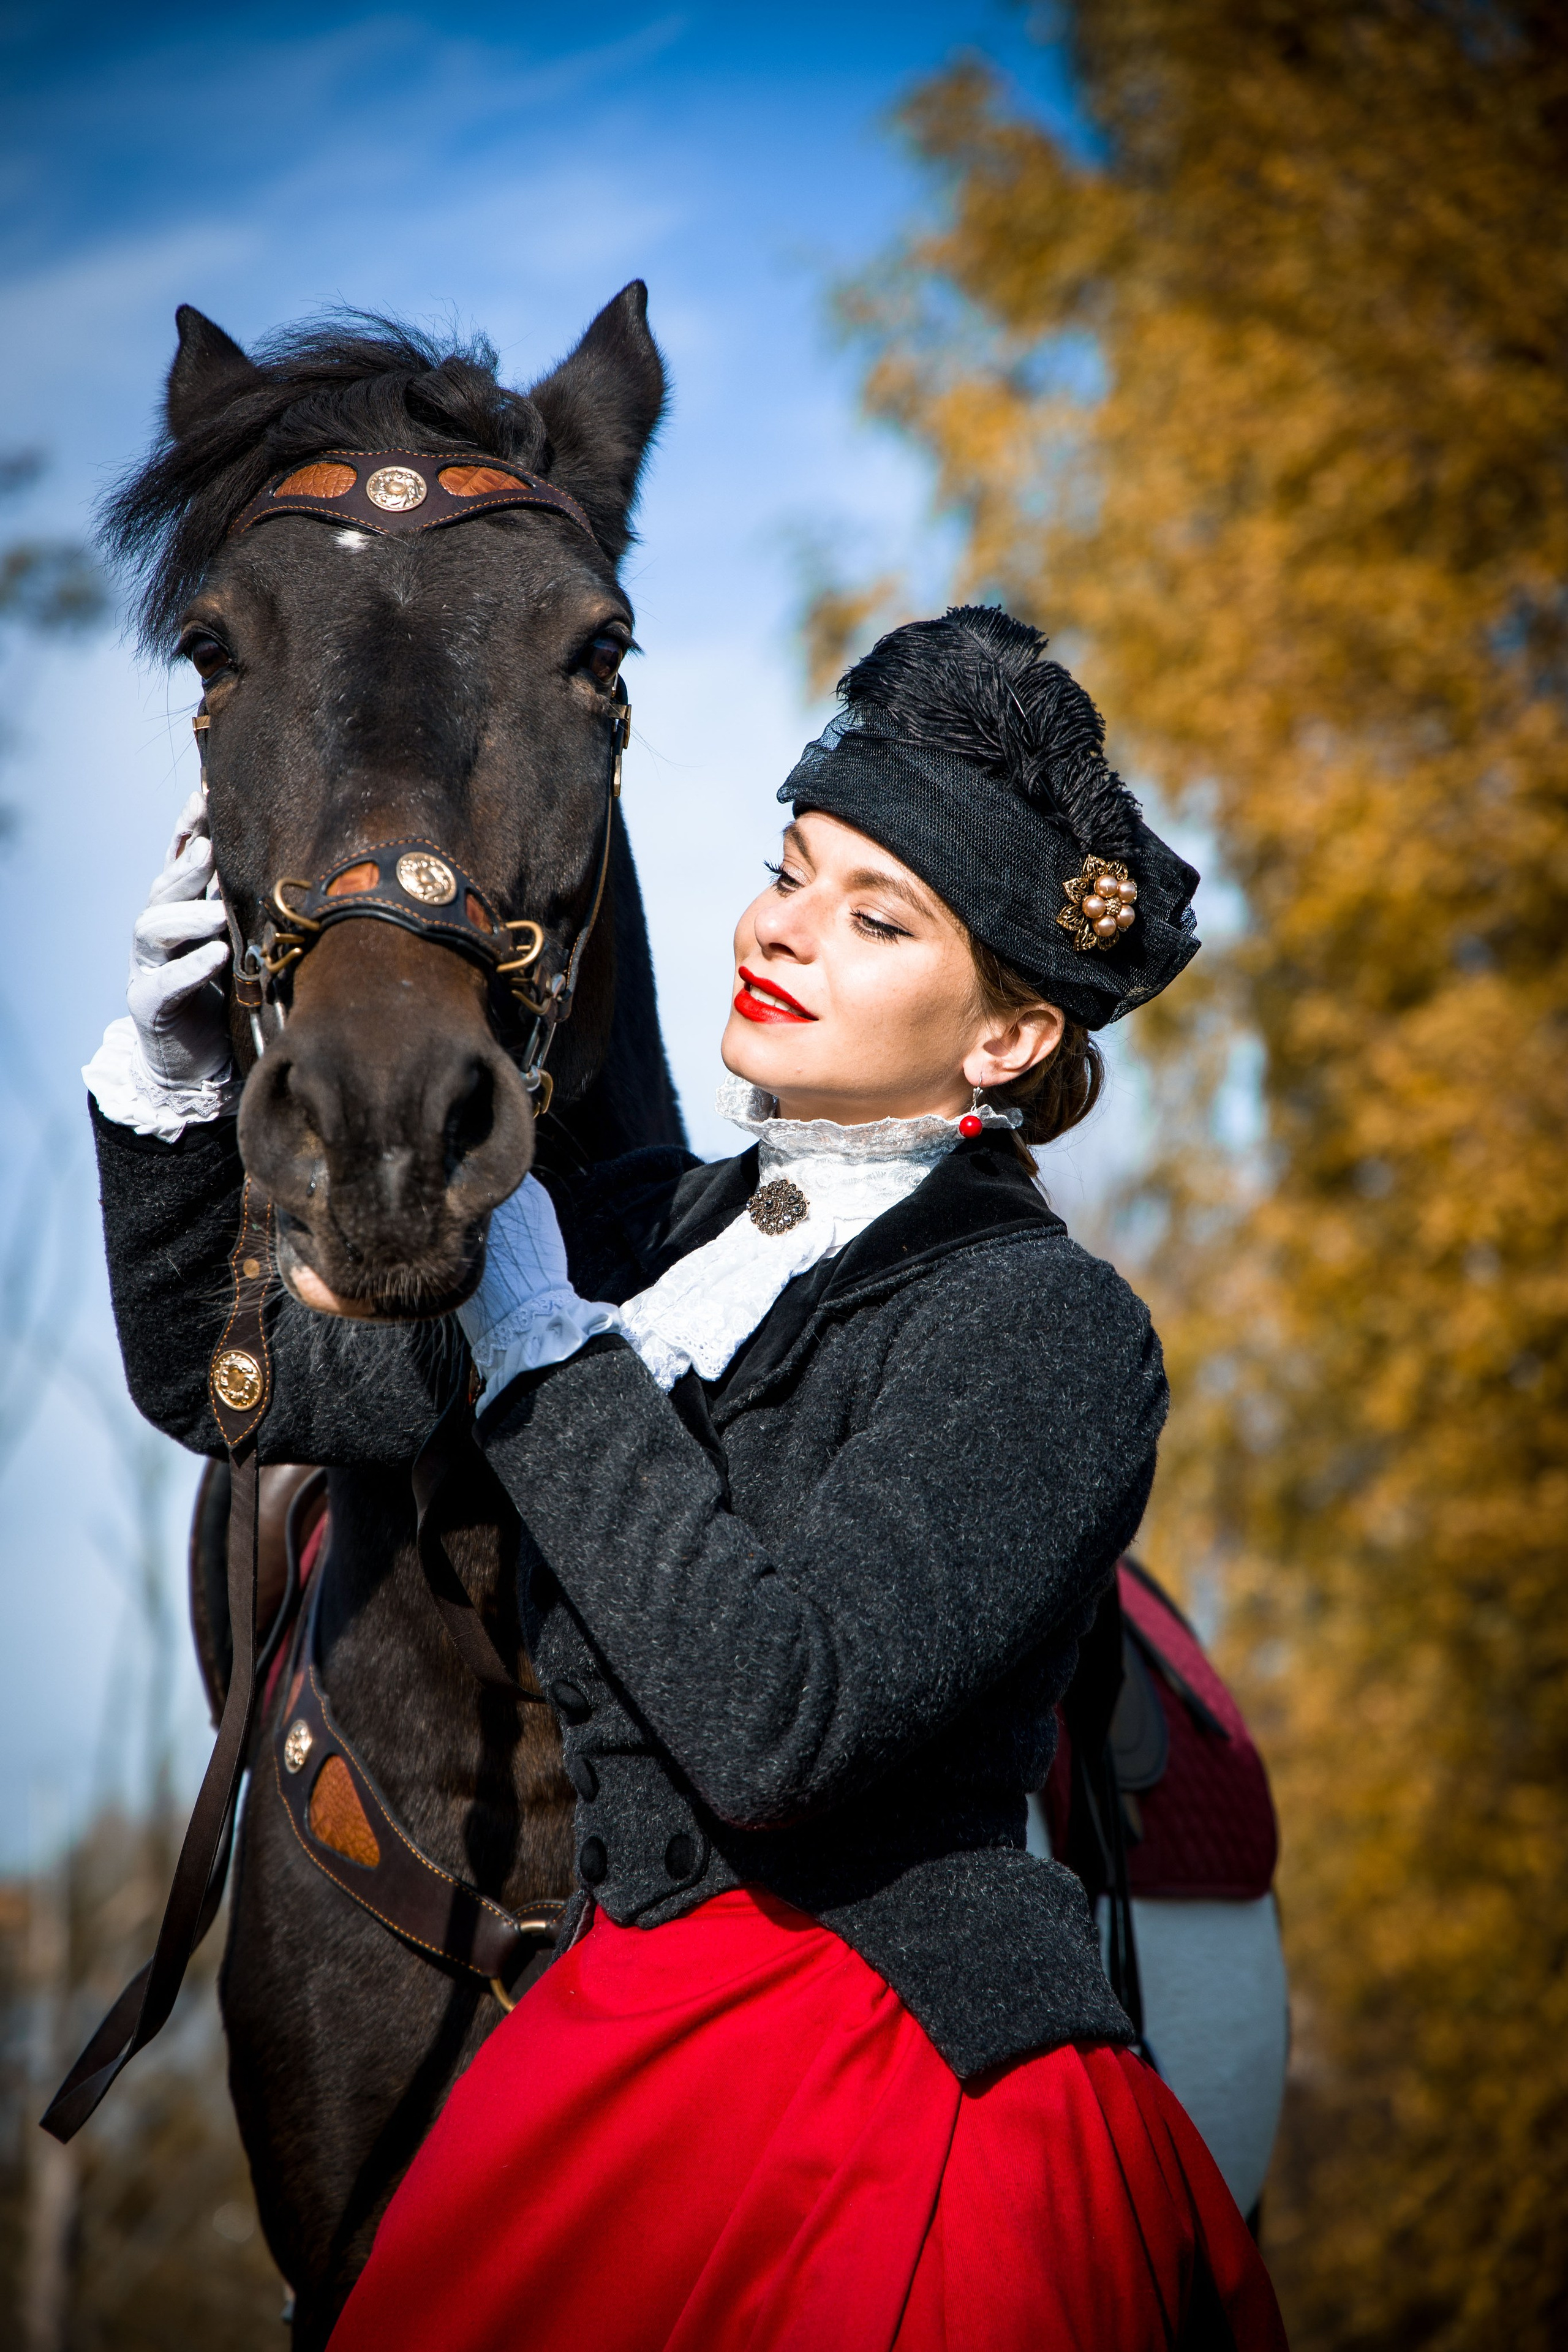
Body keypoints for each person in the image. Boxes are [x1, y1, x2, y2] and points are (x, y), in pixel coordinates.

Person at [85, 608, 1287, 2350]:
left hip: (898, 2094)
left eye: (873, 920)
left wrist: (546, 1346)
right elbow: (239, 1382)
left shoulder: (1047, 1326)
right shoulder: (645, 1240)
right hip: (625, 2027)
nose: (785, 935)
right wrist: (180, 1092)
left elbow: (781, 1730)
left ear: (1012, 1041)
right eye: (791, 873)